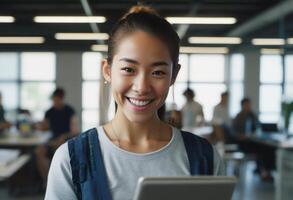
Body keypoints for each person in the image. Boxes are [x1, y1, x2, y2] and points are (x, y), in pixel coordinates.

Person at [45, 5, 225, 200]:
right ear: (107, 70)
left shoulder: (205, 158)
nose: (142, 87)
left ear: (174, 75)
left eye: (158, 72)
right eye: (129, 69)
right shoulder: (71, 160)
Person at [35, 87, 78, 186]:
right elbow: (44, 127)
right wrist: (37, 125)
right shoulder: (49, 111)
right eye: (53, 99)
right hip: (53, 140)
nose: (55, 101)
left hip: (66, 140)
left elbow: (74, 131)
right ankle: (47, 180)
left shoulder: (69, 110)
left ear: (61, 99)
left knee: (59, 152)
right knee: (39, 152)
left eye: (57, 99)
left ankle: (62, 182)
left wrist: (63, 136)